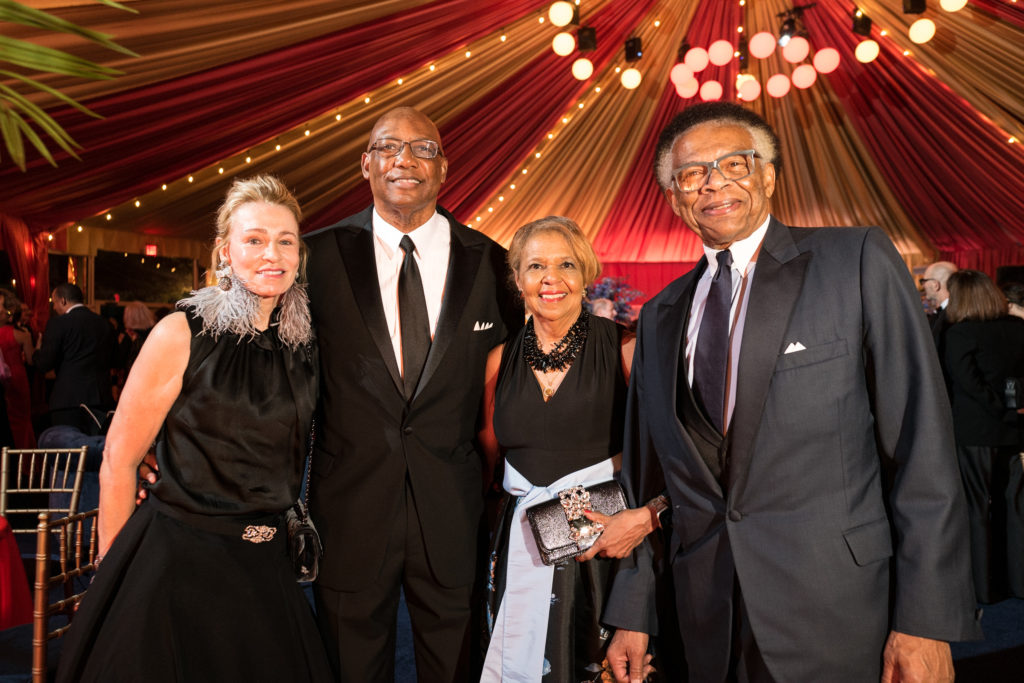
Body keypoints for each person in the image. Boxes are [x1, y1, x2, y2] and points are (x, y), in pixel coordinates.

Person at [603, 102, 980, 683]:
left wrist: (926, 621)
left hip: (839, 608)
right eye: (693, 173)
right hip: (704, 617)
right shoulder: (659, 315)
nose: (715, 183)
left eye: (734, 163)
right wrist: (633, 613)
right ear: (676, 197)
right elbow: (649, 477)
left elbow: (921, 446)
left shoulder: (853, 259)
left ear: (769, 175)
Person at [56, 175, 332, 682]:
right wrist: (110, 577)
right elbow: (119, 460)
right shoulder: (182, 331)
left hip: (264, 566)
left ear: (299, 256)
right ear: (226, 251)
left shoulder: (305, 345)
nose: (271, 253)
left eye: (285, 241)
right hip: (176, 566)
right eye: (254, 239)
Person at [304, 106, 522, 682]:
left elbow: (517, 389)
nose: (404, 159)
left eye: (422, 148)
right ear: (366, 164)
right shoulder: (313, 257)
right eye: (388, 147)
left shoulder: (494, 264)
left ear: (443, 166)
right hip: (347, 508)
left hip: (453, 511)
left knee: (456, 667)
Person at [477, 216, 644, 681]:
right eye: (535, 266)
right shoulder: (498, 359)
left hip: (605, 553)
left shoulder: (626, 350)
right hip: (519, 548)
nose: (551, 279)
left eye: (565, 264)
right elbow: (488, 462)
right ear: (518, 280)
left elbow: (657, 466)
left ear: (585, 273)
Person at [944, 269, 1024, 604]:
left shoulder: (959, 334)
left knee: (976, 509)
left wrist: (998, 410)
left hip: (975, 433)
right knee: (1016, 509)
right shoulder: (1017, 328)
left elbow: (968, 384)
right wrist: (1011, 411)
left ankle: (984, 589)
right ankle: (1019, 584)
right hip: (1015, 431)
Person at [33, 282, 116, 433]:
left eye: (54, 302)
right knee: (97, 449)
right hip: (100, 397)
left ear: (63, 301)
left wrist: (37, 350)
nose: (54, 308)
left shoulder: (58, 323)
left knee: (69, 450)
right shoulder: (104, 324)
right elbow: (114, 359)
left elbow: (44, 364)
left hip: (67, 401)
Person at [0, 289, 36, 447]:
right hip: (17, 377)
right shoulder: (23, 335)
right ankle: (24, 461)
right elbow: (31, 360)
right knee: (22, 419)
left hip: (4, 379)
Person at [922, 260, 958, 346]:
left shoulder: (954, 316)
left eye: (924, 281)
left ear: (935, 285)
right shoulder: (939, 313)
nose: (923, 286)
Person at [119, 300, 156, 376]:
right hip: (151, 375)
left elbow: (120, 360)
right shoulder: (155, 332)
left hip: (132, 378)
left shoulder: (128, 335)